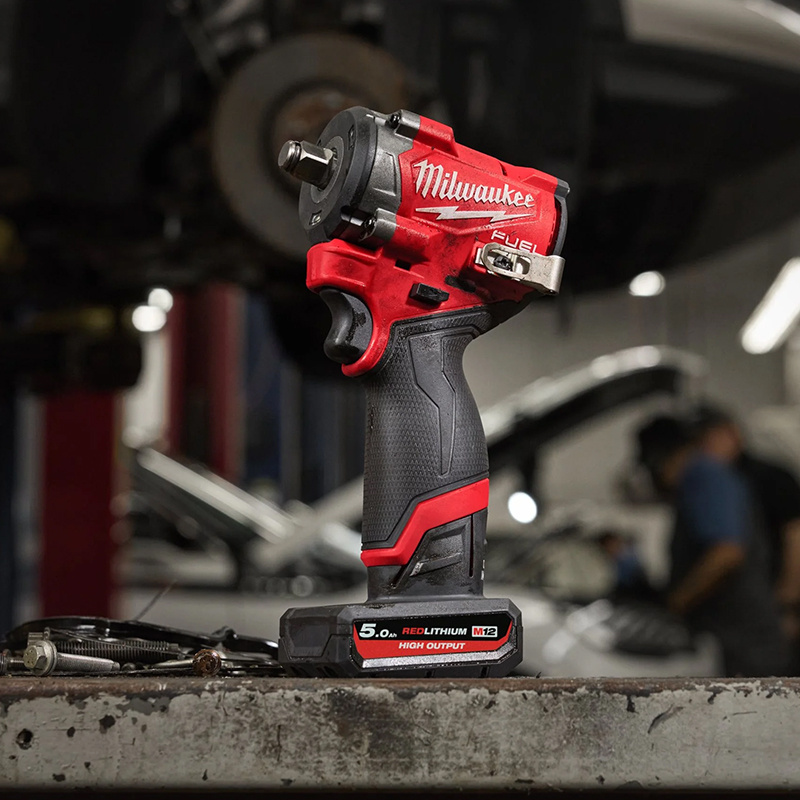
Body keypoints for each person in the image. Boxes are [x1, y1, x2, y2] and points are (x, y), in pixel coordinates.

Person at [636, 415, 788, 676]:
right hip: (737, 637)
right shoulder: (708, 476)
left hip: (742, 642)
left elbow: (726, 554)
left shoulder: (703, 477)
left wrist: (675, 604)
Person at [690, 404, 800, 632]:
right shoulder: (717, 482)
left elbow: (795, 534)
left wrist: (789, 598)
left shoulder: (769, 477)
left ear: (732, 433)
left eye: (709, 439)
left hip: (775, 595)